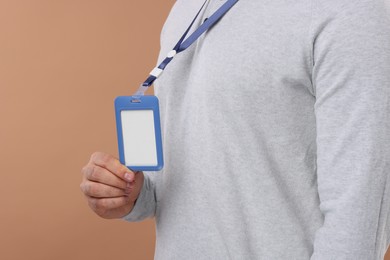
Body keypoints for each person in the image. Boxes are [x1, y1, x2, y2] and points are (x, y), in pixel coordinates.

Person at [80, 0, 390, 259]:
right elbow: (186, 180)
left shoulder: (355, 10)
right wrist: (133, 195)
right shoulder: (188, 7)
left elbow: (357, 224)